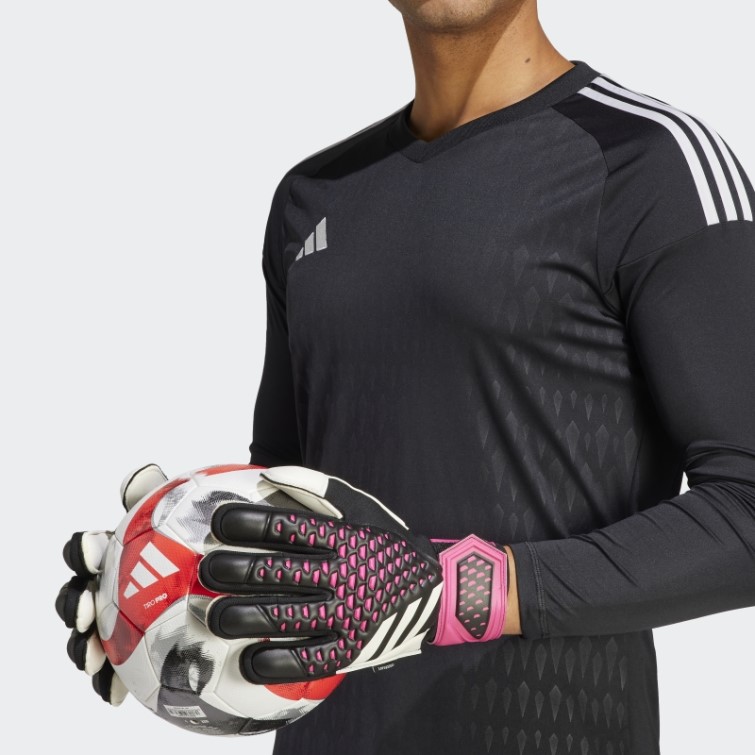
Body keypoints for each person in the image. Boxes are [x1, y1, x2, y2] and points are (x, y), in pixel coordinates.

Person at [57, 1, 755, 753]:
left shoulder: (649, 162)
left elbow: (746, 512)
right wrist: (172, 570)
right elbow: (290, 493)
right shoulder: (314, 194)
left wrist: (453, 593)